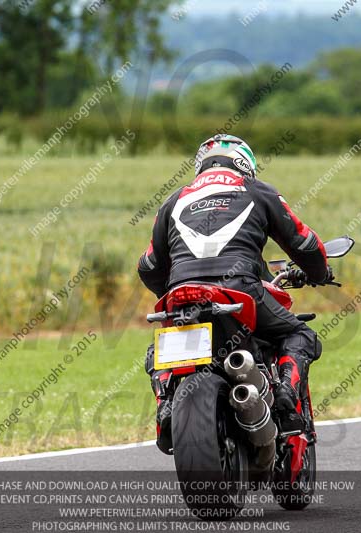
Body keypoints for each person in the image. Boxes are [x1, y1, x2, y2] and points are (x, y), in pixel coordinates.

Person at [137, 134, 331, 454]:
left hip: (181, 294)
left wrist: (173, 292)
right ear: (246, 164)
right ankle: (284, 395)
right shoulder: (257, 190)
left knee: (156, 351)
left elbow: (148, 264)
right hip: (240, 289)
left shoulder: (173, 200)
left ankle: (166, 403)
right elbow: (305, 243)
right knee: (300, 334)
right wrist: (318, 273)